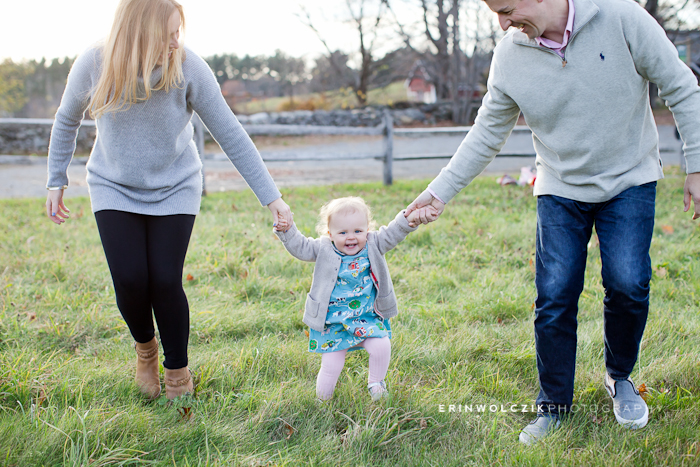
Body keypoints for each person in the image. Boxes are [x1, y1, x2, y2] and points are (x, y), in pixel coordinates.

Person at [405, 0, 700, 444]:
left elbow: (681, 86)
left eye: (506, 9)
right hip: (560, 186)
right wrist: (438, 192)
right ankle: (554, 406)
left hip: (630, 178)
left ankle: (619, 377)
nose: (503, 24)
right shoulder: (510, 53)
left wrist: (695, 166)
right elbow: (487, 132)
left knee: (628, 282)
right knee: (556, 293)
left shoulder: (622, 17)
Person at [45, 0, 292, 401]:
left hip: (176, 184)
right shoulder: (94, 61)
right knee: (129, 279)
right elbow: (66, 117)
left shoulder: (189, 66)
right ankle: (146, 349)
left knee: (163, 278)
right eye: (168, 34)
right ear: (137, 32)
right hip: (113, 184)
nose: (177, 42)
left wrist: (272, 198)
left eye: (180, 31)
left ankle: (176, 368)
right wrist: (56, 178)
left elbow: (229, 131)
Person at [274, 197, 423, 401]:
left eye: (357, 231)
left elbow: (394, 232)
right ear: (330, 233)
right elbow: (300, 247)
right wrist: (287, 229)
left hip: (367, 317)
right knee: (331, 366)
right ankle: (322, 401)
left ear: (367, 230)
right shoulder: (323, 249)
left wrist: (409, 219)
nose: (351, 237)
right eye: (342, 232)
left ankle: (376, 383)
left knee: (381, 345)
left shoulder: (374, 243)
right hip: (333, 323)